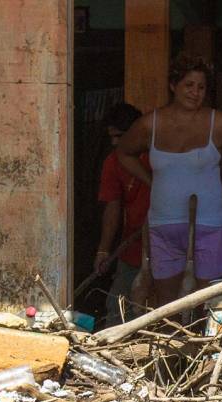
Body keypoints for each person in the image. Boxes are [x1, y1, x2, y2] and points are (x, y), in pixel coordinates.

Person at [115, 54, 222, 305]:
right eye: (189, 85)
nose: (195, 93)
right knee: (167, 306)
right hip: (163, 225)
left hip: (210, 222)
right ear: (173, 86)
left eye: (201, 87)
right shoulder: (150, 124)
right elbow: (124, 153)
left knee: (208, 304)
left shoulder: (218, 123)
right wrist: (151, 181)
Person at [95, 103, 151, 325]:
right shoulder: (113, 162)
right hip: (132, 249)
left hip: (168, 247)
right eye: (112, 137)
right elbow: (112, 206)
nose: (115, 142)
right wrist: (104, 250)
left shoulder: (159, 155)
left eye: (119, 136)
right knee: (117, 311)